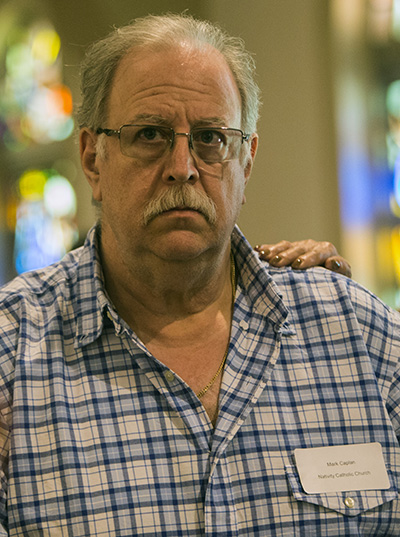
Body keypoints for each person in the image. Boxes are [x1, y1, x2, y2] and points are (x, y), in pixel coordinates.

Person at [0, 13, 397, 536]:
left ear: (246, 161)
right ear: (92, 158)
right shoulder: (13, 355)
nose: (183, 165)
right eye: (150, 134)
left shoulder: (355, 333)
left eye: (211, 137)